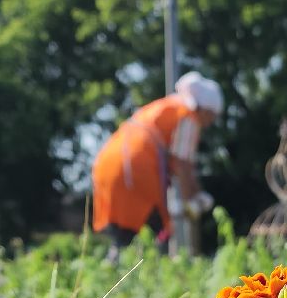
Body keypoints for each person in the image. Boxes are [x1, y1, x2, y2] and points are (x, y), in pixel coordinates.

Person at [91, 71, 223, 248]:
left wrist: (194, 191)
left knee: (123, 237)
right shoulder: (189, 115)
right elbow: (182, 163)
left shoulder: (166, 106)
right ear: (205, 109)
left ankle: (114, 270)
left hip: (107, 165)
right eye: (211, 117)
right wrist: (192, 201)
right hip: (135, 171)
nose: (209, 123)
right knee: (157, 236)